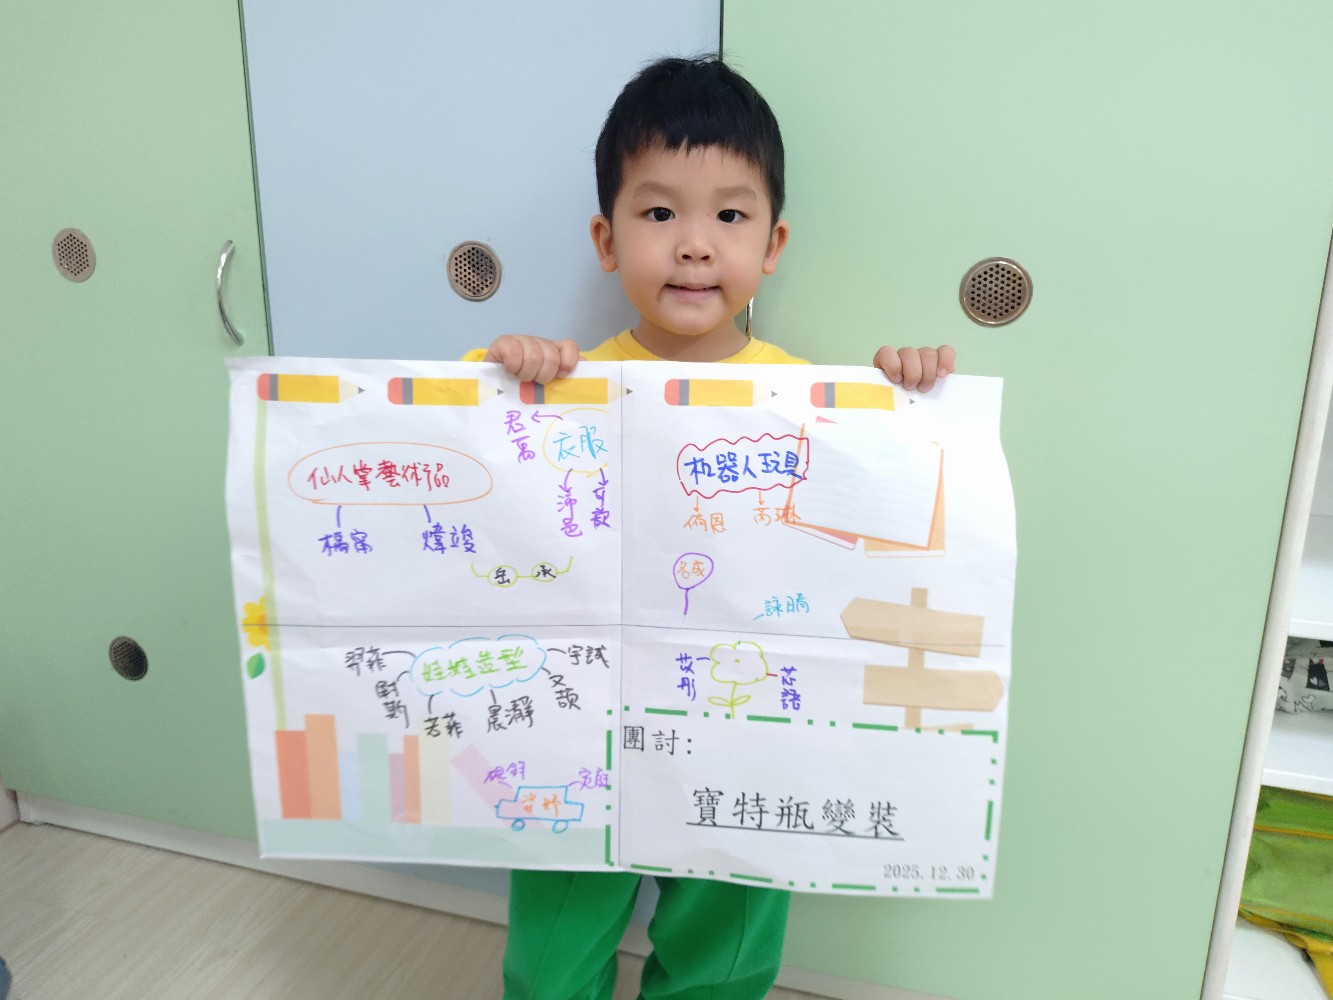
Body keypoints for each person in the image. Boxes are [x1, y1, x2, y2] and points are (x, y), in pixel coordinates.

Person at [470, 55, 953, 1000]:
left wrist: (910, 400)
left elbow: (890, 528)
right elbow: (459, 465)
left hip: (748, 737)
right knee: (547, 958)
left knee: (725, 953)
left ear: (772, 244)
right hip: (586, 737)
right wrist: (504, 373)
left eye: (729, 216)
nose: (694, 246)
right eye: (659, 213)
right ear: (606, 239)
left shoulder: (815, 401)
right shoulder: (563, 386)